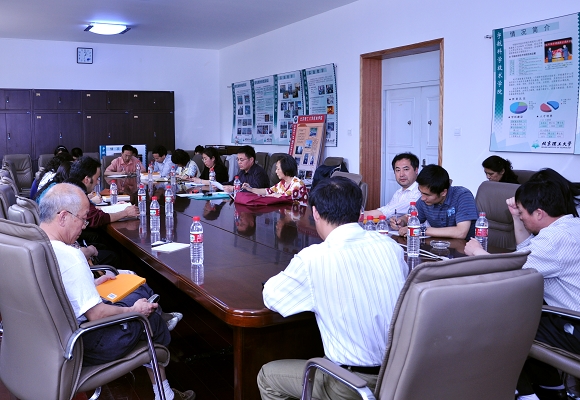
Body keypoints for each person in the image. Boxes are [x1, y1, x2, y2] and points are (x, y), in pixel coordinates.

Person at [38, 183, 194, 400]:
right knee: (148, 315)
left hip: (51, 342)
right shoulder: (71, 256)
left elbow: (55, 287)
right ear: (63, 217)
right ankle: (165, 394)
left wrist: (92, 283)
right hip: (85, 342)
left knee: (138, 296)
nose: (84, 226)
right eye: (83, 219)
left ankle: (156, 318)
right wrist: (134, 311)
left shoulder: (33, 244)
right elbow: (97, 314)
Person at [258, 177, 408, 400]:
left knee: (267, 377)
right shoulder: (390, 246)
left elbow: (272, 298)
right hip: (401, 376)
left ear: (315, 213)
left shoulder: (313, 258)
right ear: (360, 211)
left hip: (353, 384)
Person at [465, 170, 580, 400]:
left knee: (500, 322)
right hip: (567, 318)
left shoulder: (554, 240)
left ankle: (526, 395)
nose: (521, 216)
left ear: (539, 213)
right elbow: (526, 253)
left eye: (522, 212)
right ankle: (551, 392)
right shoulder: (571, 225)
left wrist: (477, 252)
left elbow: (511, 270)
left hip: (574, 327)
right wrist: (517, 218)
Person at [394, 164, 478, 239]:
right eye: (421, 192)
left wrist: (421, 230)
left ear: (443, 192)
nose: (422, 198)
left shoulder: (462, 195)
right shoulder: (425, 201)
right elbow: (412, 217)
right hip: (438, 246)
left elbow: (461, 232)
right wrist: (402, 221)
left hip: (465, 247)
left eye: (427, 195)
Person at [70, 156, 139, 227]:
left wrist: (113, 207)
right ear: (87, 179)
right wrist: (125, 213)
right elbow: (95, 219)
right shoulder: (77, 195)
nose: (97, 182)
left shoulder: (72, 188)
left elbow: (91, 211)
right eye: (97, 178)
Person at [364, 152, 421, 219]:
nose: (401, 174)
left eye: (406, 169)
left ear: (416, 170)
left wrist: (362, 214)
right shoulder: (398, 192)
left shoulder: (419, 191)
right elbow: (391, 212)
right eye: (398, 170)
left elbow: (388, 211)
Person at [242, 154, 307, 203]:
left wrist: (274, 195)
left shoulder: (298, 184)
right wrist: (251, 189)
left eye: (278, 169)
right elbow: (267, 191)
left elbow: (282, 198)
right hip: (285, 214)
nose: (276, 171)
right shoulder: (282, 183)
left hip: (297, 215)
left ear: (286, 169)